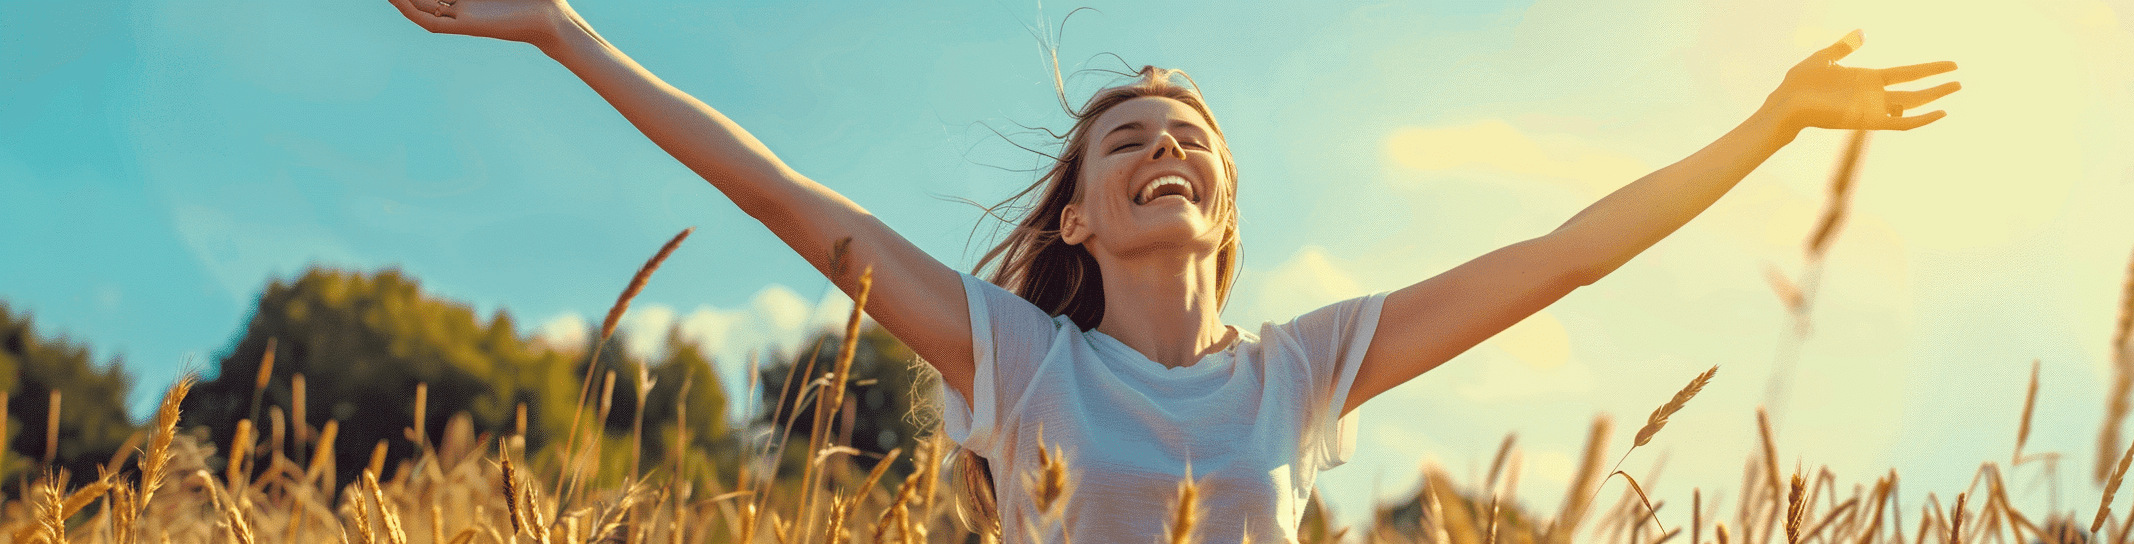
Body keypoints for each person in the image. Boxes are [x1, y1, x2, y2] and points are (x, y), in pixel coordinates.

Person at [385, 1, 1960, 541]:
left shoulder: (1303, 368)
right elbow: (781, 195)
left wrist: (1766, 128)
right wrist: (557, 25)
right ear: (1077, 217)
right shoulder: (1016, 358)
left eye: (1192, 137)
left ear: (1222, 204)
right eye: (1128, 137)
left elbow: (1559, 257)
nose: (1167, 148)